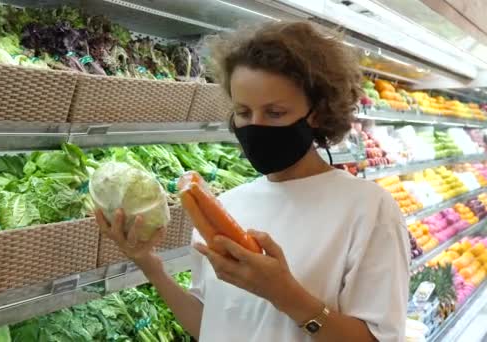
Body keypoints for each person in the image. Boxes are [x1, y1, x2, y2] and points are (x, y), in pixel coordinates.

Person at [96, 21, 410, 342]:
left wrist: (284, 293)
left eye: (274, 113)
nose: (256, 127)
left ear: (316, 112)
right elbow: (211, 323)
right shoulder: (228, 206)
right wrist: (148, 264)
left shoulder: (369, 210)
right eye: (244, 112)